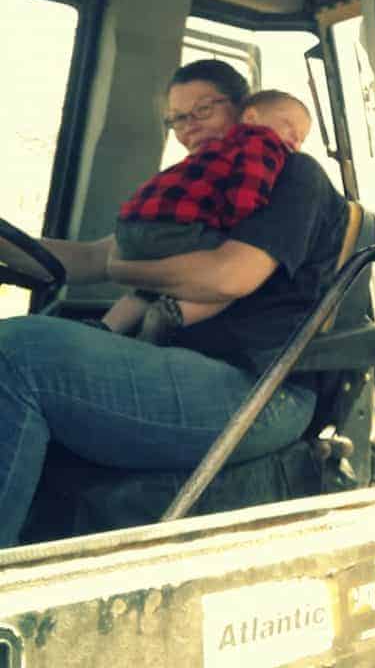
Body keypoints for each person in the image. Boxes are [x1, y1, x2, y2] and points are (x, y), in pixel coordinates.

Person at [0, 58, 349, 548]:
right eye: (178, 119)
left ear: (245, 110)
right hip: (182, 365)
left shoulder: (291, 173)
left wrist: (120, 269)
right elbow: (90, 257)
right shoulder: (202, 189)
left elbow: (231, 275)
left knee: (16, 355)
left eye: (202, 110)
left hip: (259, 388)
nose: (189, 128)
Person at [104, 88, 312, 343]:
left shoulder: (216, 148)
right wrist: (244, 223)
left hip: (134, 223)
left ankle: (106, 327)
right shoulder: (263, 143)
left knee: (150, 286)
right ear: (251, 117)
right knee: (232, 274)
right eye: (289, 126)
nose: (295, 140)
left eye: (301, 138)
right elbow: (247, 191)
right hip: (176, 226)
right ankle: (173, 315)